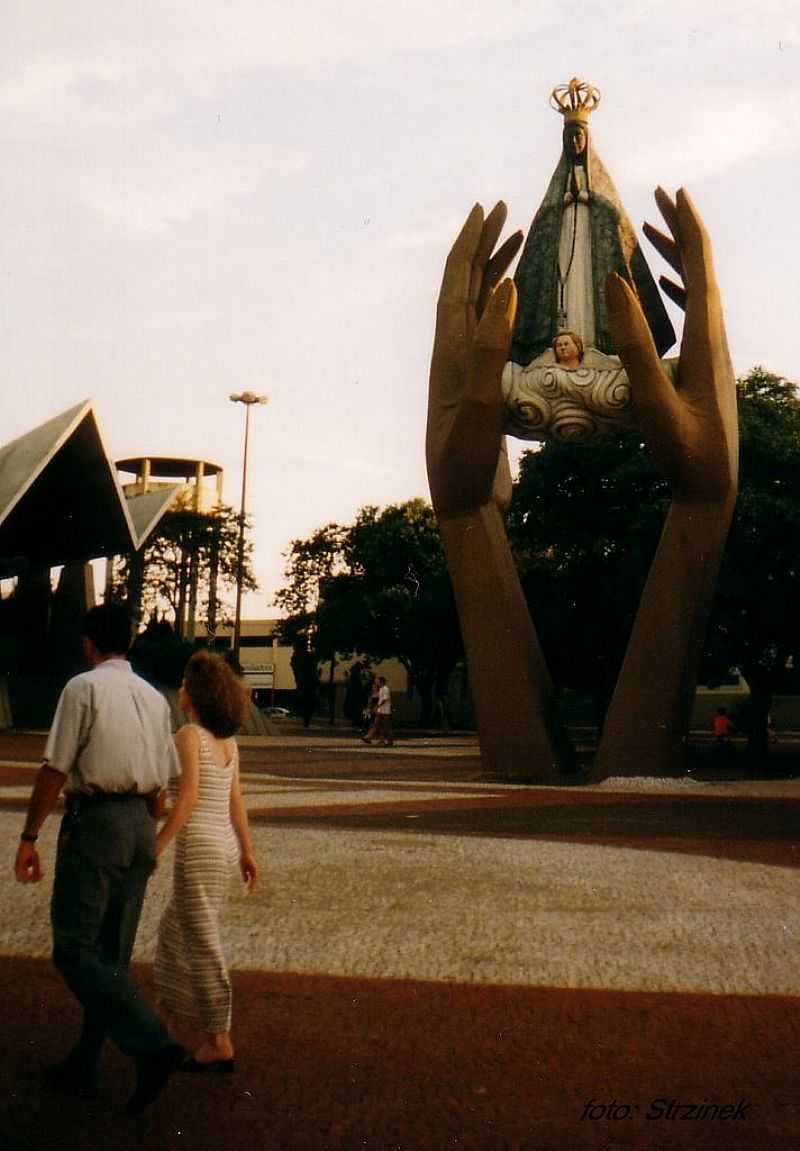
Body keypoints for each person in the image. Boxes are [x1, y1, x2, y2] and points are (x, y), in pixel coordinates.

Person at [13, 601, 185, 1114]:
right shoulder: (154, 699)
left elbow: (55, 767)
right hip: (140, 822)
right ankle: (85, 1064)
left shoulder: (82, 688)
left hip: (98, 822)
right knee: (111, 954)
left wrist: (29, 835)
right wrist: (146, 833)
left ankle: (152, 1043)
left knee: (74, 947)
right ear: (129, 642)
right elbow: (164, 779)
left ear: (89, 643)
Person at [511, 78, 674, 365]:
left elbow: (614, 219)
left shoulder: (602, 188)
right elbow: (542, 228)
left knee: (587, 291)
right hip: (563, 245)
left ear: (587, 140)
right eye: (570, 136)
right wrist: (561, 207)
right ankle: (560, 345)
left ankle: (594, 347)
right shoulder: (555, 192)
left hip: (591, 248)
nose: (575, 141)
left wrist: (590, 200)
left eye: (579, 136)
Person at [154, 651, 258, 1072]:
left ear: (193, 694)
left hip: (197, 849)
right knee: (174, 931)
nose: (179, 690)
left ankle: (219, 1039)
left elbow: (189, 796)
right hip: (222, 849)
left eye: (183, 684)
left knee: (201, 940)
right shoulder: (228, 744)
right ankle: (168, 1016)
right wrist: (247, 851)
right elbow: (236, 800)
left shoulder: (189, 736)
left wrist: (157, 845)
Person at [361, 675, 393, 746]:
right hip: (380, 710)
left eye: (377, 681)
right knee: (376, 724)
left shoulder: (385, 689)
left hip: (385, 711)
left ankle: (390, 741)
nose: (376, 682)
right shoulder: (381, 689)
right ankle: (368, 737)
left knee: (386, 726)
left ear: (381, 681)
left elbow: (385, 699)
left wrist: (378, 706)